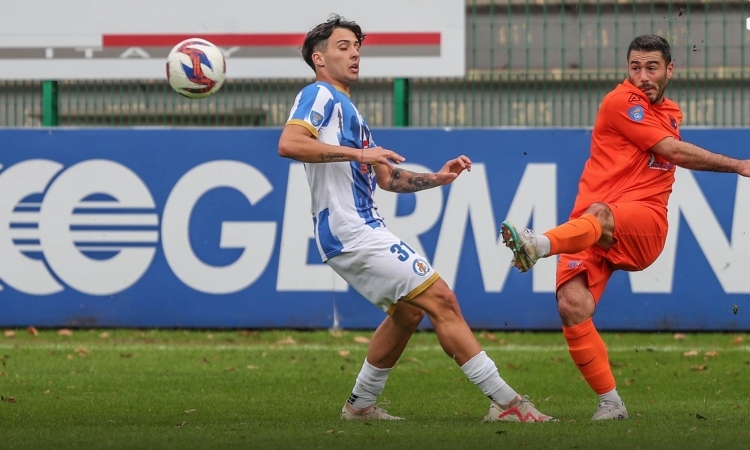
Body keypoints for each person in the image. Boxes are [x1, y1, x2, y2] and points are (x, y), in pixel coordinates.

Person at [277, 14, 555, 423]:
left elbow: (388, 178)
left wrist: (439, 178)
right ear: (318, 58)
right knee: (442, 298)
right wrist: (360, 154)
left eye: (357, 46)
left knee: (409, 312)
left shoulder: (350, 111)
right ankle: (508, 404)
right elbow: (289, 143)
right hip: (349, 229)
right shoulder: (319, 95)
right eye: (343, 46)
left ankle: (360, 406)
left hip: (360, 228)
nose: (354, 53)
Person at [500, 34, 750, 421]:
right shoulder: (622, 101)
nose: (642, 76)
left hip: (642, 221)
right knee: (572, 305)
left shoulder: (665, 111)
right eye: (635, 67)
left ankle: (538, 243)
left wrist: (738, 165)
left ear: (670, 69)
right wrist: (737, 164)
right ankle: (611, 403)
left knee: (598, 215)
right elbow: (669, 149)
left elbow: (672, 152)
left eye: (652, 67)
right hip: (589, 225)